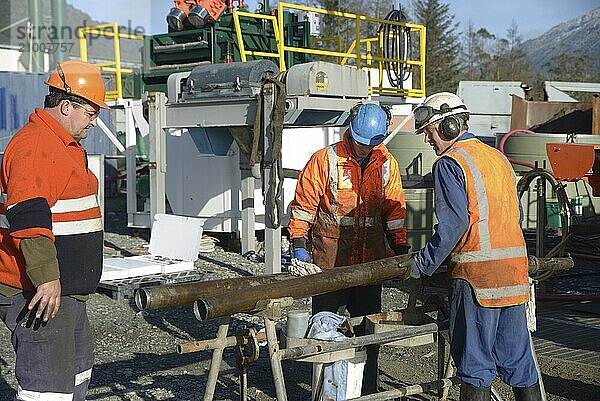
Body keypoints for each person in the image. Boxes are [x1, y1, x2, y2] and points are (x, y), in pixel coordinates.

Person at [408, 92, 543, 401]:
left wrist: (423, 263)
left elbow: (455, 224)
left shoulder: (451, 163)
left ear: (449, 127)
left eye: (429, 132)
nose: (428, 140)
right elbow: (515, 215)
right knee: (519, 361)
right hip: (514, 274)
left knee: (475, 364)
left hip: (477, 278)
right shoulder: (498, 158)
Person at [0, 60, 108, 400]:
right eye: (91, 112)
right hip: (37, 291)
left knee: (75, 374)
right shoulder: (36, 146)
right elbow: (28, 215)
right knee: (46, 388)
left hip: (63, 292)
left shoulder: (62, 147)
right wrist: (47, 278)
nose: (95, 121)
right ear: (66, 106)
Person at [288, 103, 410, 395]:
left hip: (370, 266)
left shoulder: (386, 164)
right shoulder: (324, 160)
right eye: (360, 142)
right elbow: (303, 207)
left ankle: (366, 390)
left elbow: (394, 212)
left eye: (372, 143)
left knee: (368, 332)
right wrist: (298, 245)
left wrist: (401, 247)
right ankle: (324, 391)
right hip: (330, 264)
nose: (365, 149)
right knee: (325, 332)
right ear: (349, 131)